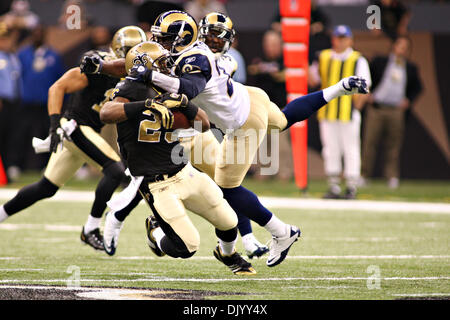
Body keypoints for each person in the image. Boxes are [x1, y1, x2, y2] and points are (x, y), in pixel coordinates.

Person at [82, 11, 368, 267]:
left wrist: (151, 76)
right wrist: (103, 67)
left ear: (182, 37)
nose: (161, 44)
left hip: (243, 124)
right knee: (284, 119)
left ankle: (282, 232)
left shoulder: (195, 58)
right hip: (250, 97)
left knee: (227, 188)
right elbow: (140, 64)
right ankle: (338, 89)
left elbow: (187, 87)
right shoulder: (188, 52)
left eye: (165, 39)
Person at [100, 41, 256, 275]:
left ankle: (228, 254)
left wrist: (185, 104)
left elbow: (204, 125)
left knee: (229, 221)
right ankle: (157, 232)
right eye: (162, 63)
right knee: (186, 246)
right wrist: (149, 105)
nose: (168, 67)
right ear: (146, 64)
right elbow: (106, 113)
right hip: (155, 183)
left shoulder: (169, 86)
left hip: (184, 170)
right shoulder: (130, 88)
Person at [0, 26, 147, 251]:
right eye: (130, 52)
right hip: (75, 127)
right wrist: (54, 123)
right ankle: (91, 228)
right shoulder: (98, 64)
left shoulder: (138, 77)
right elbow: (57, 88)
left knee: (45, 188)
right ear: (119, 51)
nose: (134, 59)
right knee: (114, 170)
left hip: (87, 131)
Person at [197, 12, 268, 259]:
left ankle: (241, 241)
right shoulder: (190, 56)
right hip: (188, 127)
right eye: (210, 33)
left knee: (226, 186)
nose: (214, 39)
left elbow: (236, 91)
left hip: (215, 126)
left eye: (220, 35)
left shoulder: (230, 59)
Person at [309, 25, 372, 199]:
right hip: (328, 111)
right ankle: (334, 185)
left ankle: (351, 185)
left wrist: (355, 107)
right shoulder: (324, 56)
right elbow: (313, 78)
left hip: (348, 112)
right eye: (338, 37)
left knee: (350, 148)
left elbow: (366, 86)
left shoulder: (357, 59)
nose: (340, 41)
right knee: (330, 149)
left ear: (350, 40)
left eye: (344, 38)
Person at [361, 35, 422, 189]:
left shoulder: (410, 67)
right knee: (369, 143)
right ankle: (363, 175)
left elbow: (418, 87)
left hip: (396, 110)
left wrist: (408, 99)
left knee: (393, 145)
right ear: (394, 46)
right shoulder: (380, 62)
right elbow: (366, 77)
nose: (402, 50)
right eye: (400, 46)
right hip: (377, 108)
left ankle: (392, 176)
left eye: (405, 47)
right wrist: (367, 93)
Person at [7, 24, 65, 178]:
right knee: (19, 134)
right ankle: (14, 164)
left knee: (49, 133)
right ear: (31, 35)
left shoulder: (54, 55)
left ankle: (48, 166)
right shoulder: (23, 55)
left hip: (47, 103)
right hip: (26, 102)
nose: (37, 35)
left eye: (40, 33)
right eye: (35, 33)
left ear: (45, 35)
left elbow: (60, 80)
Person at [247, 29, 294, 182]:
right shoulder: (258, 60)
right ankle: (264, 171)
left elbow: (286, 76)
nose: (270, 47)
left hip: (280, 108)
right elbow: (252, 73)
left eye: (273, 44)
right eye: (268, 44)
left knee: (281, 143)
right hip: (262, 108)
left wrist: (275, 74)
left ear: (280, 45)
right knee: (262, 142)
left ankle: (284, 172)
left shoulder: (286, 61)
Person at [0, 22, 21, 176]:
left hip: (13, 101)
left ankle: (8, 166)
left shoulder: (13, 57)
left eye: (7, 39)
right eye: (2, 40)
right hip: (1, 100)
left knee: (10, 134)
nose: (6, 43)